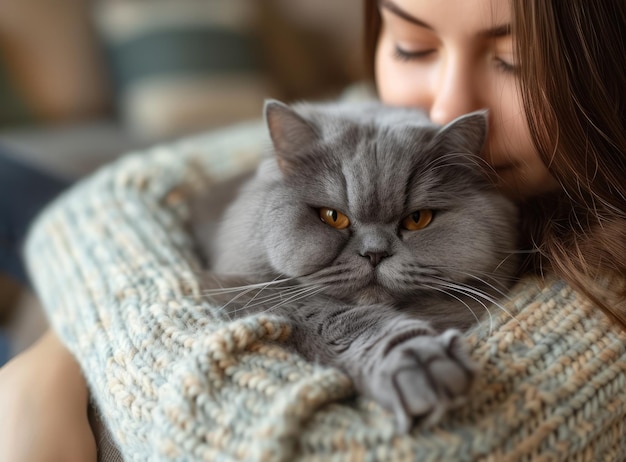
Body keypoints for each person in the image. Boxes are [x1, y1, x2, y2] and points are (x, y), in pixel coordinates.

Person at [0, 0, 624, 460]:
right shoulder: (371, 110)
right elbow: (105, 202)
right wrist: (55, 355)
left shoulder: (602, 301)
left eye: (513, 60)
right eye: (412, 45)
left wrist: (57, 365)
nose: (444, 106)